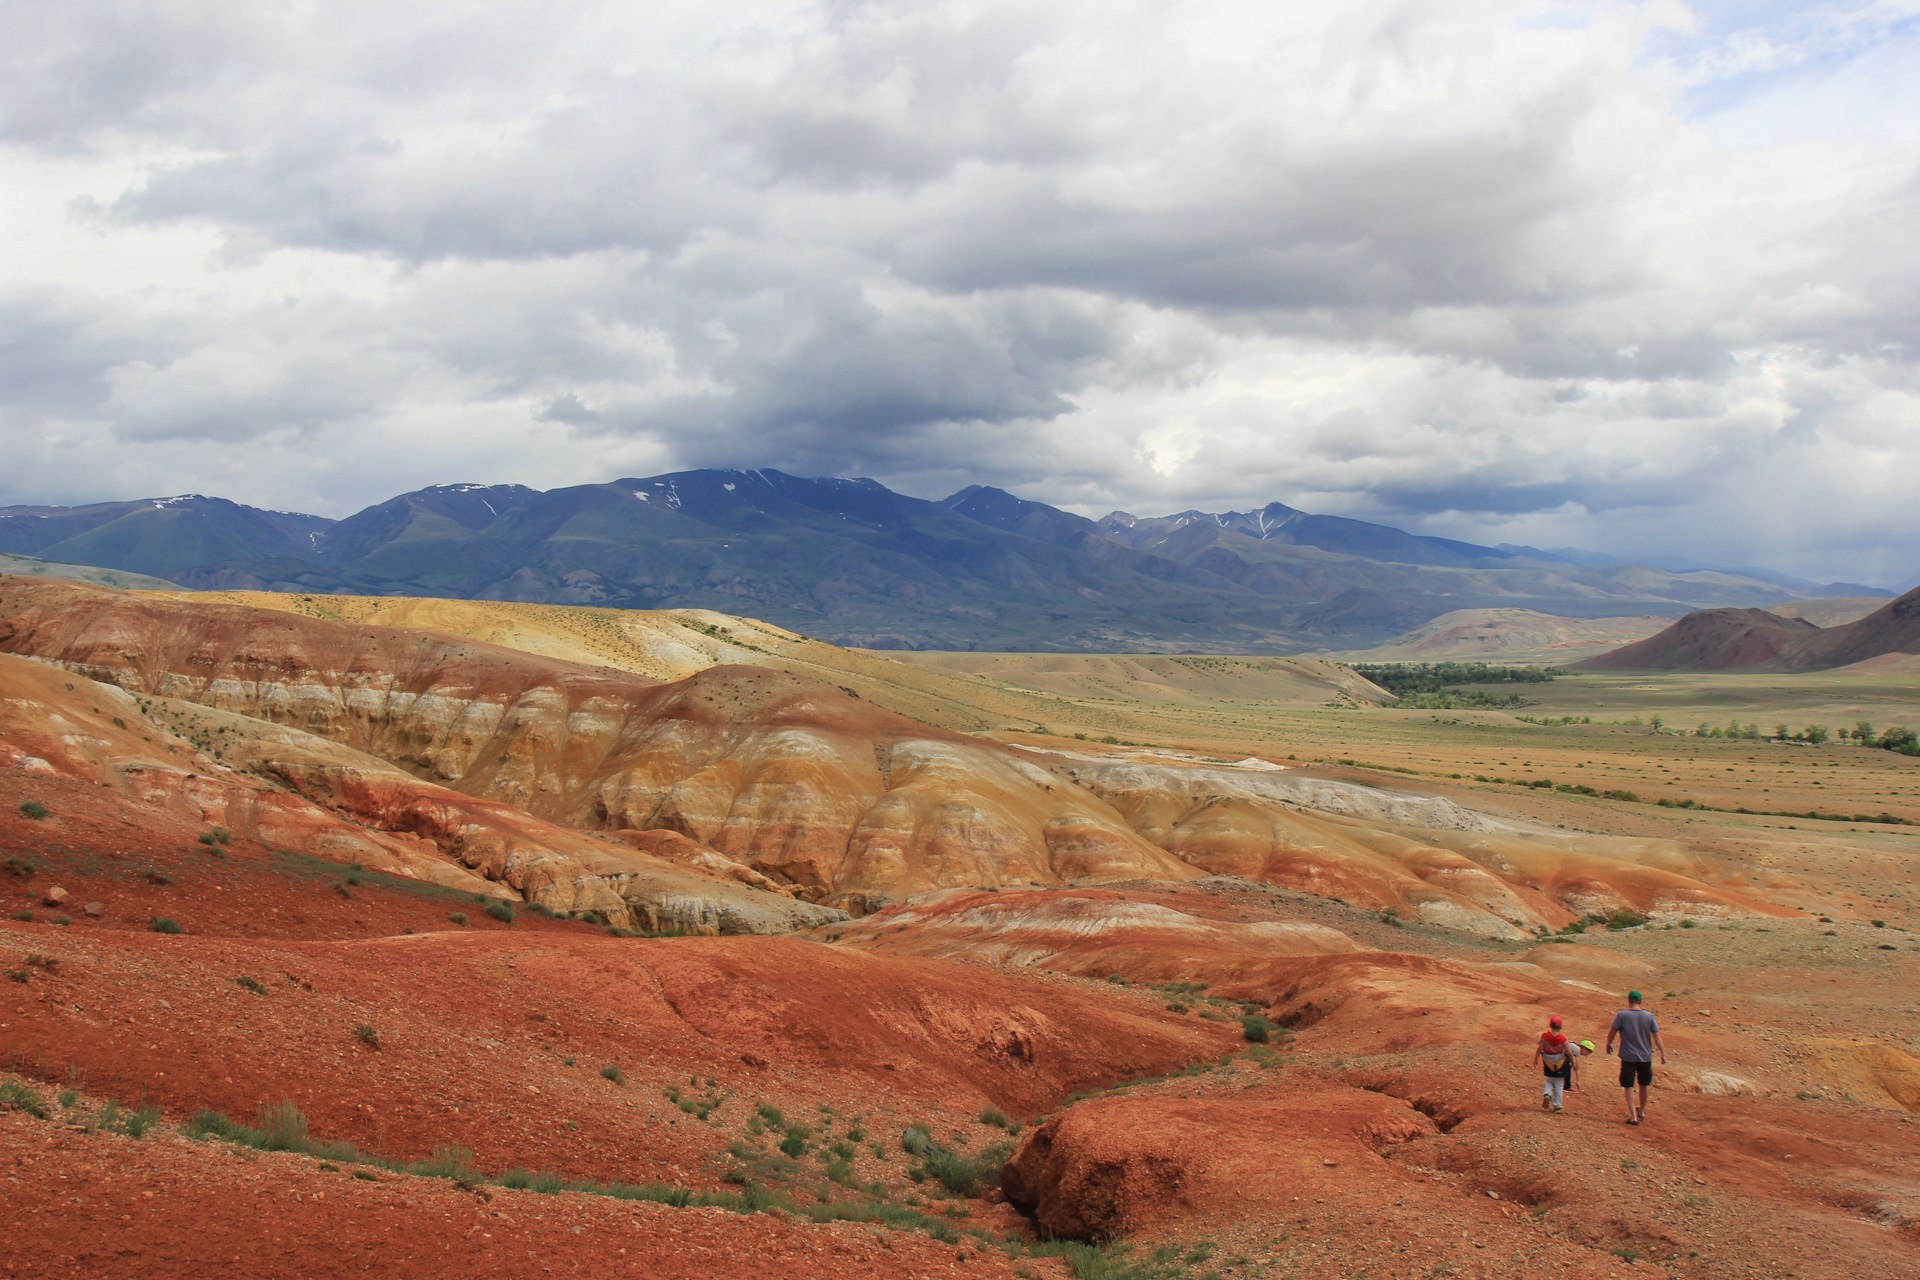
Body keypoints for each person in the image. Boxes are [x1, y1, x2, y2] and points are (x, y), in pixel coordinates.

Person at [1606, 990, 1667, 1125]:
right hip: (1645, 1056)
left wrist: (1608, 1044)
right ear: (1640, 1002)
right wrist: (1663, 1054)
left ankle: (1633, 1115)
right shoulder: (1649, 1016)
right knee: (1644, 1084)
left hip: (1628, 1056)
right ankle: (1642, 1110)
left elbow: (1612, 1031)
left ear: (1629, 1001)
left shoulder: (1622, 1015)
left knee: (1628, 1085)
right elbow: (1657, 1036)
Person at [1533, 1015, 1574, 1113]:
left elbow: (1540, 1049)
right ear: (1560, 1026)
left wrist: (1536, 1058)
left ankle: (1547, 1094)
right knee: (1559, 1084)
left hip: (1548, 1062)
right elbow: (1568, 1052)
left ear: (1550, 1025)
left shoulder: (1545, 1037)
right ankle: (1558, 1106)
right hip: (1559, 1063)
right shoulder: (1563, 1039)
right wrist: (1572, 1061)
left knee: (1549, 1080)